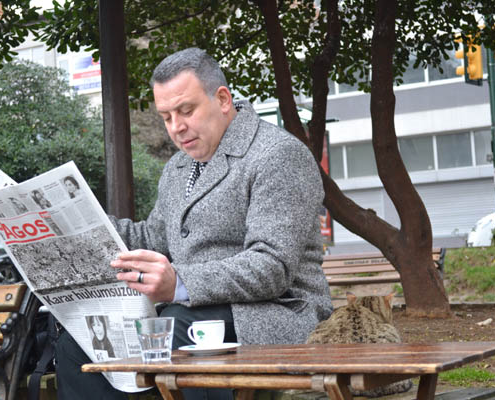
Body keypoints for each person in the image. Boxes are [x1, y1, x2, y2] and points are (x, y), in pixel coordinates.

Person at [55, 48, 333, 400]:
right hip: (191, 314)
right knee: (78, 345)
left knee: (177, 330)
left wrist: (180, 283)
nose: (177, 127)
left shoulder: (278, 155)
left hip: (277, 314)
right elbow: (153, 238)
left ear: (223, 99)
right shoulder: (178, 168)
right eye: (166, 117)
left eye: (186, 111)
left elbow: (272, 267)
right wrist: (80, 227)